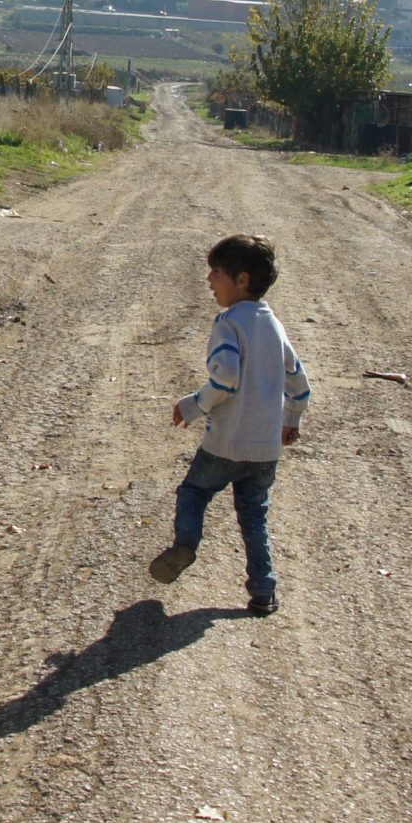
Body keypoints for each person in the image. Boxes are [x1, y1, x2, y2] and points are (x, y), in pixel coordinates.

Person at [148, 234, 312, 616]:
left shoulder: (228, 323)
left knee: (193, 492)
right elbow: (300, 385)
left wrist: (191, 406)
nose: (208, 280)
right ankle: (263, 591)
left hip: (225, 444)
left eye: (216, 273)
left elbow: (225, 380)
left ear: (241, 280)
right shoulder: (274, 326)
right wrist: (291, 421)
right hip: (265, 450)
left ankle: (186, 543)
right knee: (254, 513)